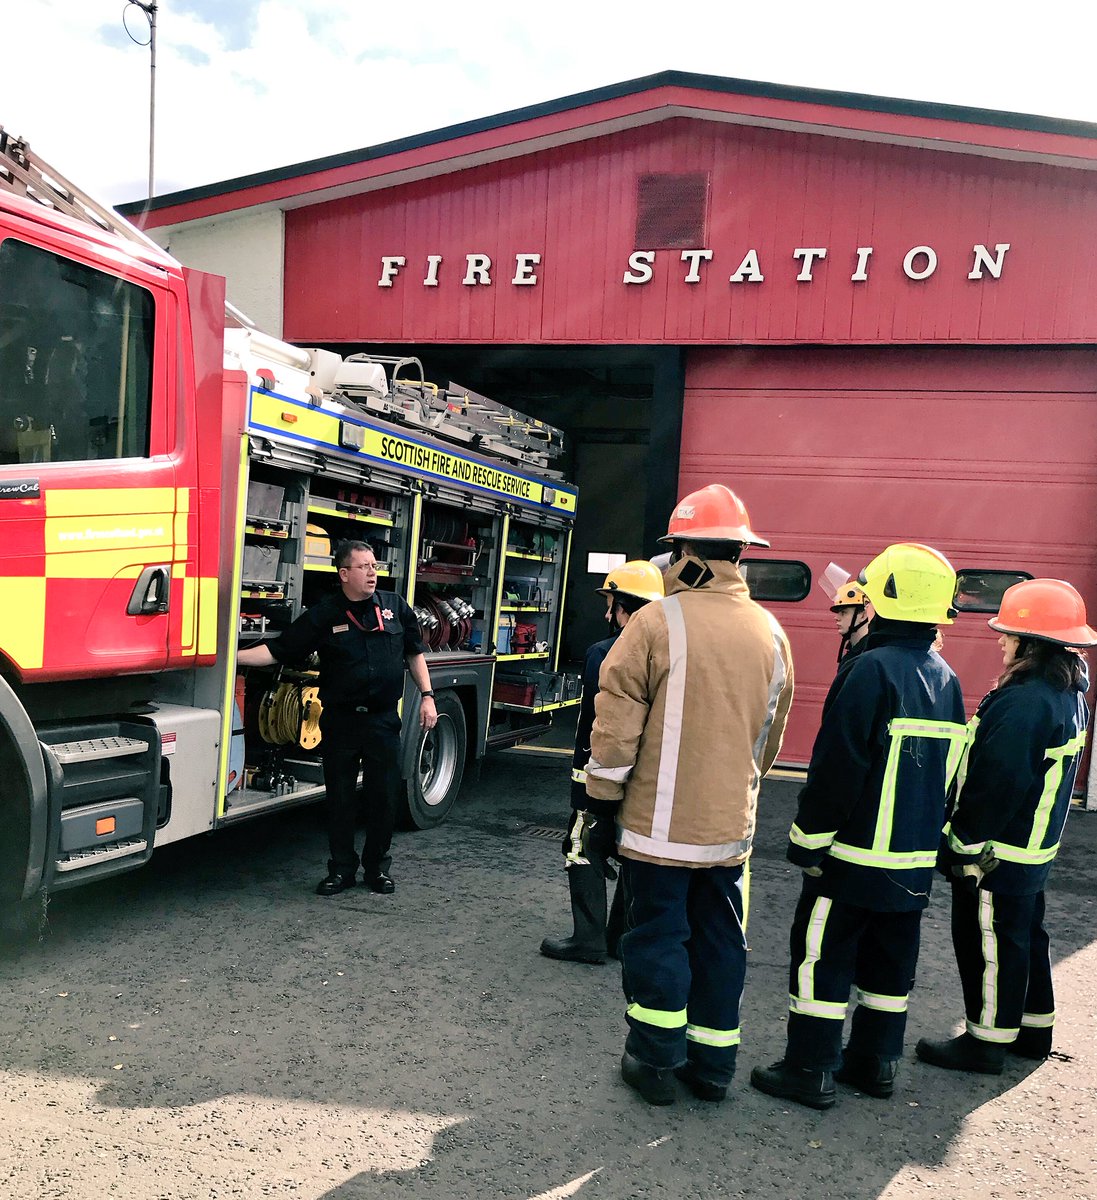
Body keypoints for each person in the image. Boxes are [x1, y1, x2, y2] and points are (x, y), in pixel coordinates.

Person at [584, 483, 795, 1106]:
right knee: (720, 942)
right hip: (730, 832)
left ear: (684, 554)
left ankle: (654, 1063)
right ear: (740, 555)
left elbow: (616, 726)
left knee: (656, 940)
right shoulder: (769, 630)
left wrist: (599, 805)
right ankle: (712, 1068)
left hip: (656, 832)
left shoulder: (655, 621)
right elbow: (769, 738)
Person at [751, 543, 966, 1110]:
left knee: (822, 960)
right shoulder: (947, 677)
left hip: (852, 859)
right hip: (912, 864)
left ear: (882, 601)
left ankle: (811, 1069)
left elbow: (837, 769)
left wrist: (808, 843)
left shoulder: (868, 669)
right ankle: (875, 1064)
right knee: (889, 969)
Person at [916, 578, 1095, 1074]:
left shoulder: (1025, 701)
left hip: (999, 850)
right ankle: (1035, 1030)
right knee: (1024, 937)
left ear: (1031, 642)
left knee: (990, 944)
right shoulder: (1067, 691)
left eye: (1008, 633)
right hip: (1033, 849)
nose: (999, 640)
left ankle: (986, 1042)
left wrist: (963, 844)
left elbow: (998, 781)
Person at [237, 539, 437, 896]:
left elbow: (413, 652)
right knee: (341, 800)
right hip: (341, 722)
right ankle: (341, 870)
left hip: (383, 722)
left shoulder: (394, 607)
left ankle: (377, 869)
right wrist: (232, 657)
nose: (373, 573)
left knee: (383, 798)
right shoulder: (326, 613)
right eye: (364, 567)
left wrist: (427, 696)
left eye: (375, 566)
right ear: (344, 574)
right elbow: (280, 649)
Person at [540, 560, 665, 965]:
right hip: (648, 780)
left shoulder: (603, 653)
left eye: (611, 603)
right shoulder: (672, 651)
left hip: (601, 775)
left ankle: (589, 940)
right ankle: (620, 937)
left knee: (581, 845)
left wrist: (585, 788)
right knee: (632, 850)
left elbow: (600, 727)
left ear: (627, 606)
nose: (607, 613)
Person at [830, 579, 873, 665]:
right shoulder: (855, 651)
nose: (836, 618)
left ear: (863, 615)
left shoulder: (868, 656)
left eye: (843, 612)